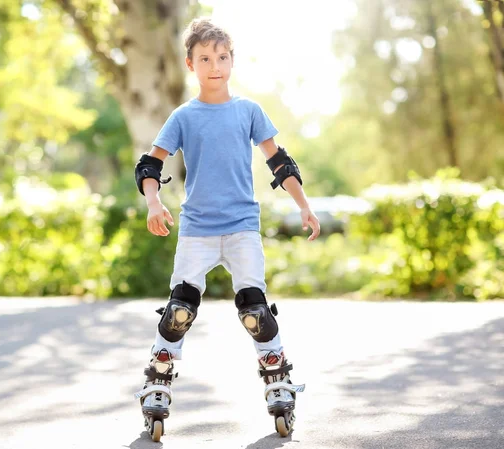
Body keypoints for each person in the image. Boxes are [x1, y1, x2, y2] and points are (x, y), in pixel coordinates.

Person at [133, 17, 321, 441]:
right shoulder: (183, 116)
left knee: (254, 309)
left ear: (231, 61)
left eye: (221, 57)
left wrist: (304, 207)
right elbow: (150, 163)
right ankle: (157, 381)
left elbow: (280, 162)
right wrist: (154, 201)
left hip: (241, 226)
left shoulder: (248, 111)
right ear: (190, 64)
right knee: (179, 309)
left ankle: (278, 380)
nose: (214, 65)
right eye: (204, 58)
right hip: (197, 228)